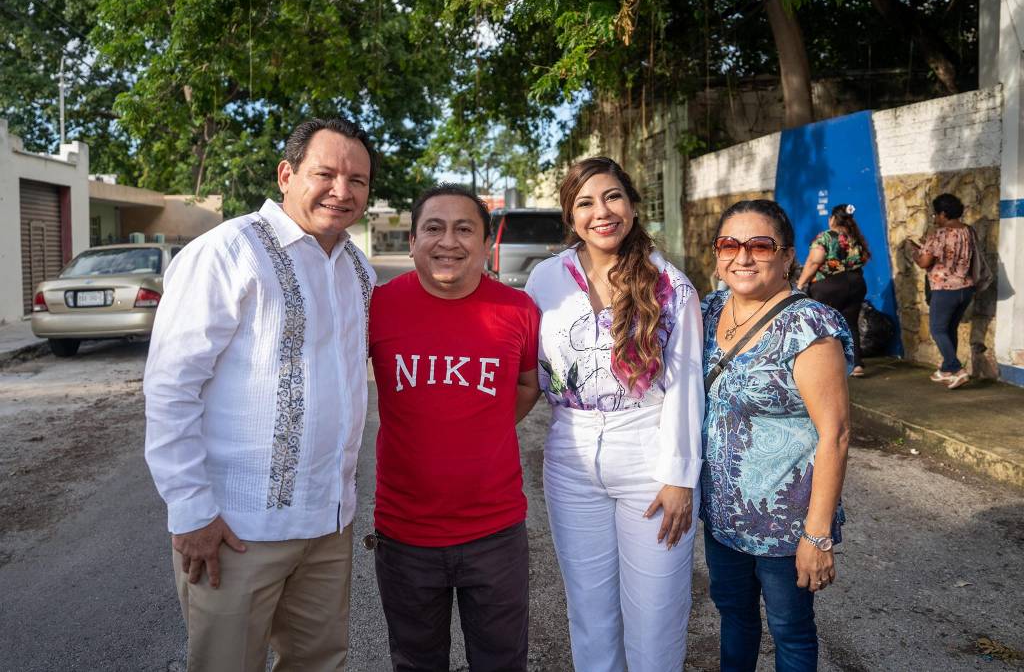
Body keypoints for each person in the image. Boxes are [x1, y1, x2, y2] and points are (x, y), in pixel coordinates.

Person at [144, 117, 376, 671]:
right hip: (235, 530)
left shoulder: (358, 268)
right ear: (286, 175)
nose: (341, 191)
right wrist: (191, 511)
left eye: (357, 180)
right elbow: (172, 386)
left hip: (327, 527)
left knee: (320, 662)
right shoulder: (227, 252)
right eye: (325, 174)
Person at [524, 157, 704, 672]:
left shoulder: (671, 285)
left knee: (655, 616)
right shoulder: (546, 279)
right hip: (570, 458)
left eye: (612, 197)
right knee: (589, 613)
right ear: (570, 216)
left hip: (650, 457)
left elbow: (687, 385)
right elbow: (525, 363)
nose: (601, 212)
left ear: (632, 205)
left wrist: (679, 478)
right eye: (585, 203)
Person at [368, 184, 541, 671]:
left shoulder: (519, 310)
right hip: (405, 533)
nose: (449, 241)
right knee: (416, 662)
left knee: (502, 662)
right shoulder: (377, 307)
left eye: (464, 229)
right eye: (434, 228)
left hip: (496, 532)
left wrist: (483, 429)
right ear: (412, 241)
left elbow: (528, 385)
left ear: (486, 244)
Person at [701, 199, 853, 672]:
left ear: (787, 256)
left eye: (760, 246)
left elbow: (836, 434)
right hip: (722, 515)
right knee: (734, 615)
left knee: (790, 630)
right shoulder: (707, 310)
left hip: (786, 523)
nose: (743, 257)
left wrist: (817, 535)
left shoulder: (809, 326)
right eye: (730, 244)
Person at [907, 193, 976, 390]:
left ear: (944, 214)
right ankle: (946, 370)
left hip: (945, 289)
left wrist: (915, 252)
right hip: (965, 288)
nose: (935, 218)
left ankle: (957, 369)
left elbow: (924, 262)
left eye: (935, 214)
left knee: (937, 330)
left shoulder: (939, 234)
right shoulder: (968, 231)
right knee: (949, 328)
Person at [795, 203, 870, 376]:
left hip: (829, 286)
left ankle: (826, 365)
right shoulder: (855, 238)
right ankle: (856, 365)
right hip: (856, 283)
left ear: (833, 219)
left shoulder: (826, 237)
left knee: (824, 325)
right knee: (851, 324)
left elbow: (814, 261)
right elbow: (863, 259)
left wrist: (800, 284)